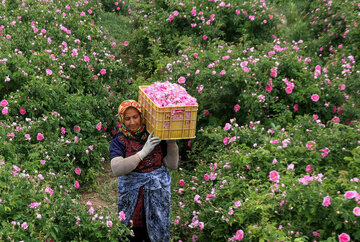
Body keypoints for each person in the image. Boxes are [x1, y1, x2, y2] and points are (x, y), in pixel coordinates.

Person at [109, 100, 179, 242]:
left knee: (155, 232)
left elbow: (171, 165)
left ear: (142, 116)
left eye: (135, 117)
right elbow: (116, 169)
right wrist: (142, 152)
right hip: (133, 197)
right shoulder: (119, 140)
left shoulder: (154, 135)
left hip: (157, 194)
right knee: (131, 231)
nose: (132, 122)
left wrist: (172, 142)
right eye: (127, 118)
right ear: (122, 119)